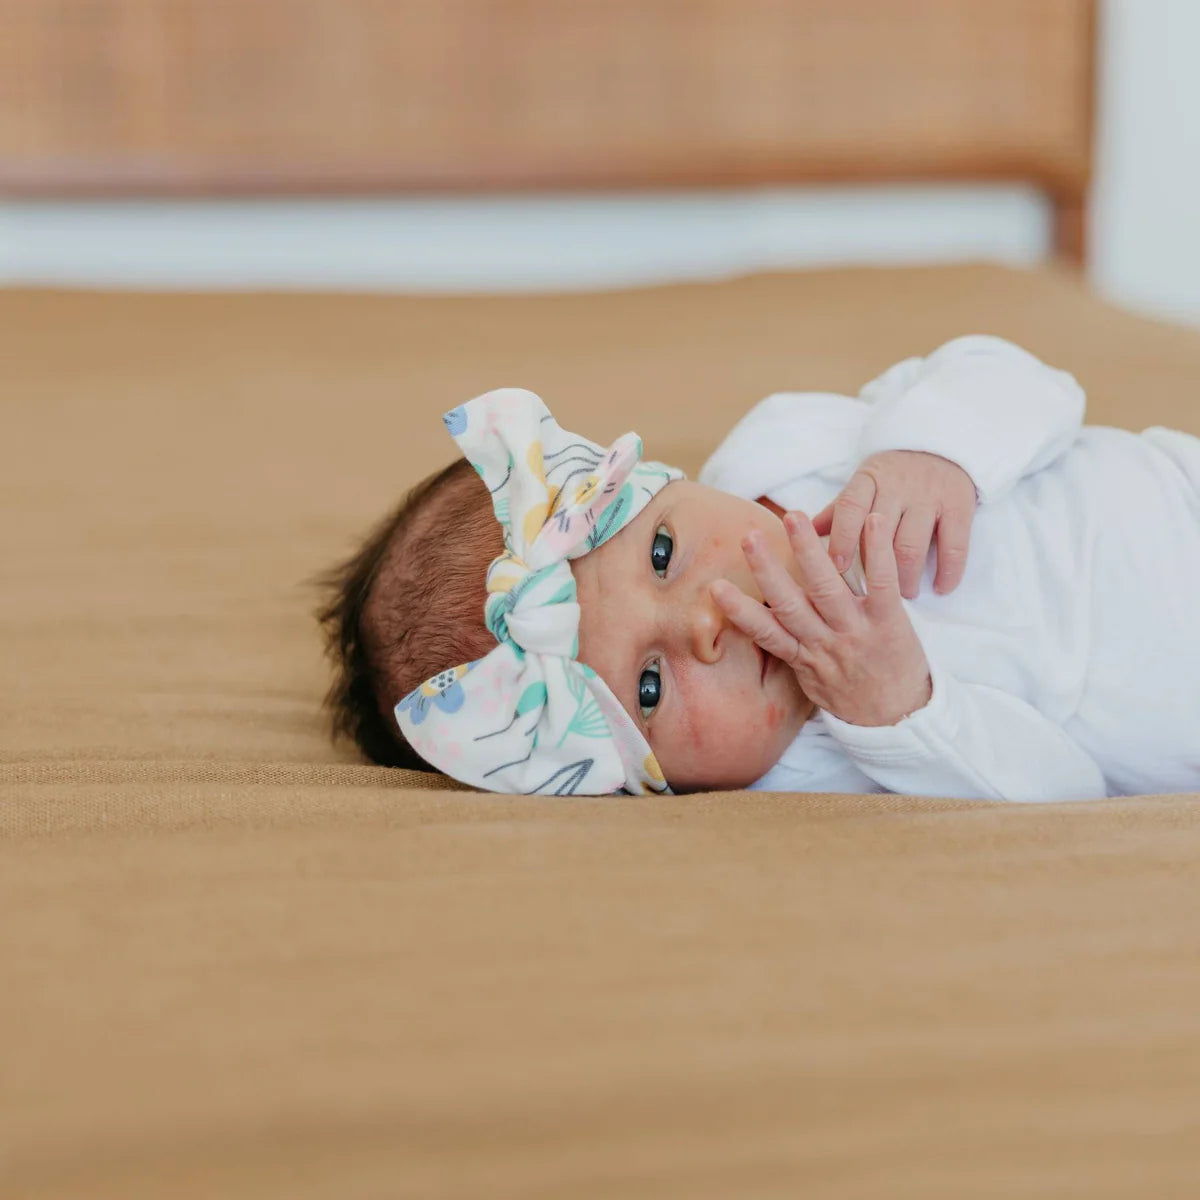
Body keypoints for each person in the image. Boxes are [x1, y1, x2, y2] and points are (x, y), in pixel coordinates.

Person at [317, 337, 1200, 799]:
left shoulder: (789, 451)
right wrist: (903, 713)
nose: (708, 624)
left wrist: (933, 451)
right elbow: (1068, 789)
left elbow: (1026, 379)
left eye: (661, 553)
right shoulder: (818, 769)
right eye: (649, 689)